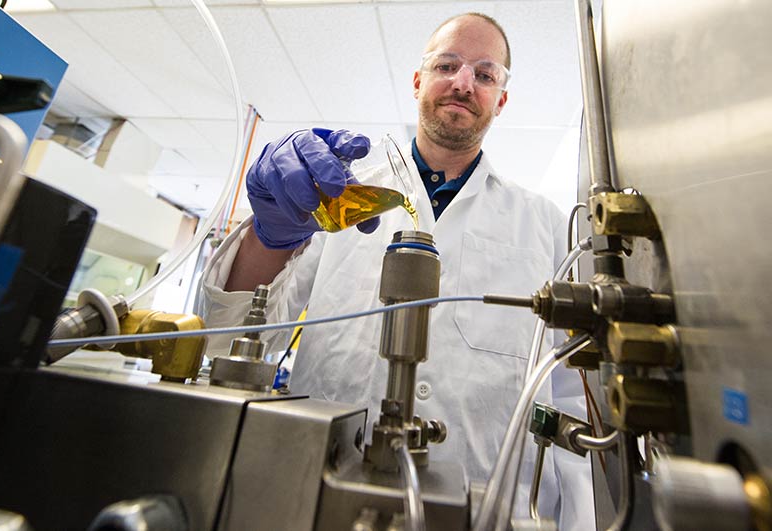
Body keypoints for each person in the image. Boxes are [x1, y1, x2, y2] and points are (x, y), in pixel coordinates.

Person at [198, 12, 595, 529]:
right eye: (447, 65)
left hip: (489, 512)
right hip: (321, 495)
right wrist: (271, 235)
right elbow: (232, 342)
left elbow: (573, 400)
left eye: (485, 73)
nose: (462, 83)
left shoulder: (547, 225)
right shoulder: (338, 192)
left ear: (501, 99)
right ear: (417, 82)